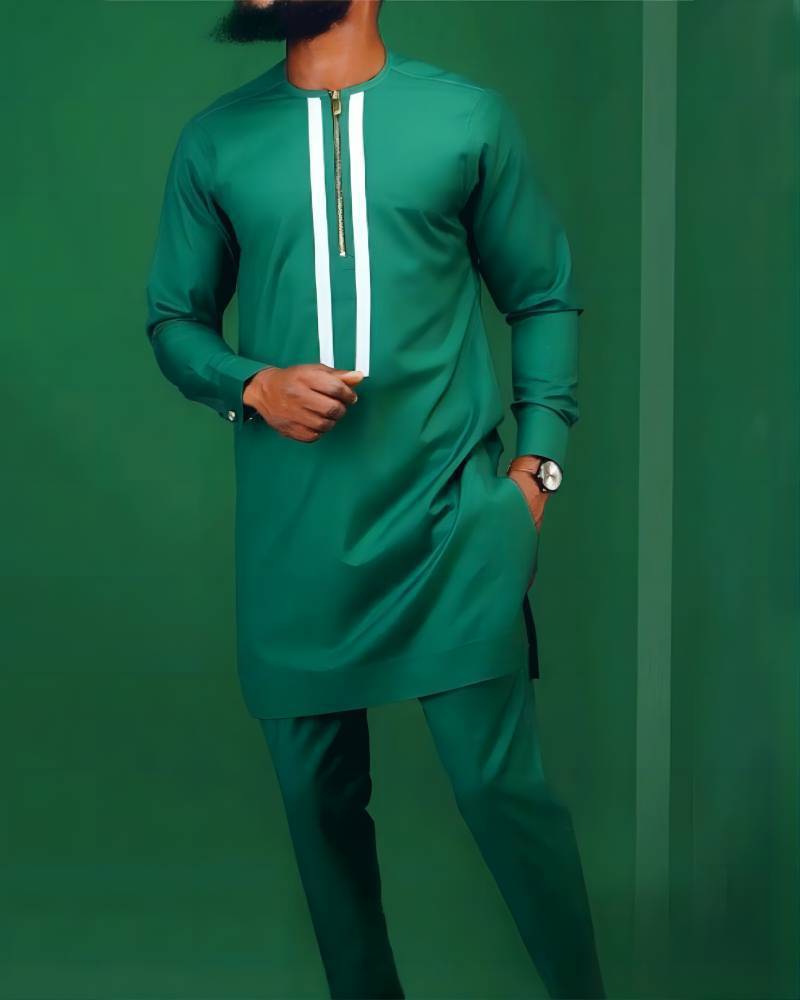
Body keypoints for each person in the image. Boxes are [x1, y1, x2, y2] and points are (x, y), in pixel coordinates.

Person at [145, 1, 605, 996]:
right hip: (294, 541)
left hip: (452, 527)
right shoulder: (216, 140)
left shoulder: (465, 119)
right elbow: (174, 319)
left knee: (502, 794)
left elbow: (541, 293)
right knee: (321, 820)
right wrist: (253, 385)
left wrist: (536, 469)